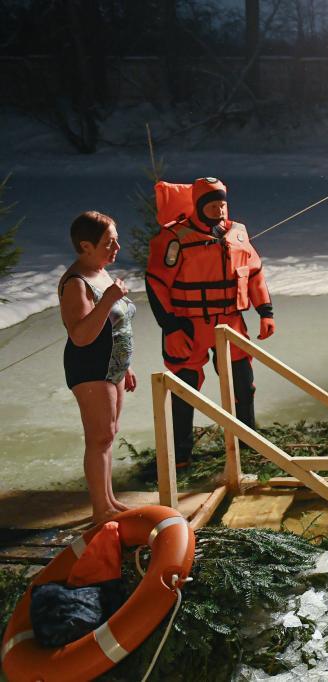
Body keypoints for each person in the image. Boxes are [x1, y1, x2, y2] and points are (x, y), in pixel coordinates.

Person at [145, 177, 275, 466]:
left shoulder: (237, 234)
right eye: (212, 205)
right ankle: (180, 455)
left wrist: (265, 312)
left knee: (243, 383)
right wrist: (171, 327)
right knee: (184, 389)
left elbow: (254, 275)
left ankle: (247, 441)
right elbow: (156, 283)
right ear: (199, 206)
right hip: (189, 325)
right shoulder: (174, 238)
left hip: (230, 322)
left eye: (222, 204)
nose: (219, 210)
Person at [58, 211, 137, 524]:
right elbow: (81, 335)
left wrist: (126, 366)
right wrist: (108, 299)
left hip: (112, 366)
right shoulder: (76, 283)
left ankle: (109, 499)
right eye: (108, 242)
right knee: (98, 437)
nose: (116, 247)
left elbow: (118, 327)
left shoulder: (102, 272)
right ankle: (99, 508)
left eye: (116, 239)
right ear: (85, 246)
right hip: (90, 367)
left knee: (109, 435)